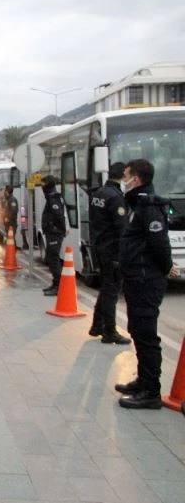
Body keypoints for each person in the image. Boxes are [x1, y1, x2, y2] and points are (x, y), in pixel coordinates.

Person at [114, 159, 179, 409]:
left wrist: (167, 267)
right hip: (136, 279)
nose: (123, 180)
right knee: (138, 330)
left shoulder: (149, 208)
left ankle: (151, 391)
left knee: (146, 334)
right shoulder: (138, 205)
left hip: (145, 280)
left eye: (126, 176)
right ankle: (143, 380)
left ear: (136, 179)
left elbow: (159, 243)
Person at [87, 162, 131, 345]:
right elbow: (122, 229)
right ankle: (110, 331)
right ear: (123, 176)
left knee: (106, 288)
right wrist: (123, 254)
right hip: (112, 251)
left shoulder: (98, 193)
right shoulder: (116, 197)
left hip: (99, 247)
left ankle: (97, 325)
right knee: (111, 292)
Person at [41, 176, 66, 296]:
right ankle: (55, 283)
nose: (42, 187)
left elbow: (59, 216)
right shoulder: (51, 197)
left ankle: (59, 285)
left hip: (54, 233)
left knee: (53, 259)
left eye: (43, 184)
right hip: (52, 232)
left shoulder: (53, 199)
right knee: (50, 258)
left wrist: (62, 229)